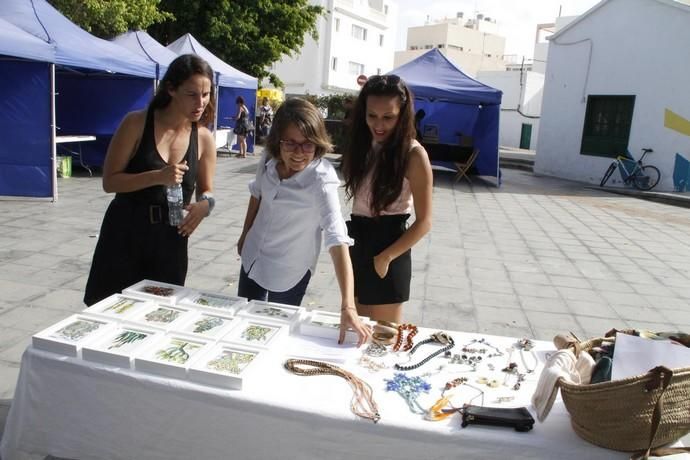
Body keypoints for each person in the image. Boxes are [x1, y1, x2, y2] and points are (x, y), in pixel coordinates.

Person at [83, 54, 217, 306]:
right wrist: (157, 176)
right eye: (192, 94)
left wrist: (204, 207)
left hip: (171, 239)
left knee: (159, 314)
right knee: (109, 309)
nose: (200, 103)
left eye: (206, 94)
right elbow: (109, 182)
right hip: (125, 231)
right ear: (171, 89)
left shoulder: (203, 138)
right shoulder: (136, 123)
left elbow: (207, 190)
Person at [236, 97, 370, 346]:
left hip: (290, 268)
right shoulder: (268, 159)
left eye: (308, 145)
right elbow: (257, 193)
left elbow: (337, 236)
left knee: (276, 335)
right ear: (278, 141)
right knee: (244, 324)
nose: (299, 153)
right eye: (290, 143)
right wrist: (245, 234)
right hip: (253, 257)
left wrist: (347, 305)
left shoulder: (321, 180)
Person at [341, 74, 433, 324]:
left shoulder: (413, 155)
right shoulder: (363, 146)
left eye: (388, 117)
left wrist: (387, 257)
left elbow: (425, 222)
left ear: (402, 115)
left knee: (382, 340)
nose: (379, 124)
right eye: (372, 116)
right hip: (358, 241)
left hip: (390, 245)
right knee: (357, 336)